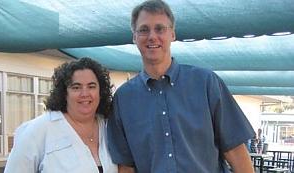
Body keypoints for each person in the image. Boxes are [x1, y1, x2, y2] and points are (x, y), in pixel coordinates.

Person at [107, 0, 255, 173]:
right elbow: (126, 166)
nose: (152, 36)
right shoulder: (123, 99)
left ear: (173, 34)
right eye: (143, 30)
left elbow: (235, 150)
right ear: (134, 37)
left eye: (160, 28)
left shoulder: (206, 83)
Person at [4, 57, 118, 173]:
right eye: (76, 87)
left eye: (91, 86)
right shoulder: (38, 130)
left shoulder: (109, 127)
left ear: (101, 91)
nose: (85, 93)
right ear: (64, 93)